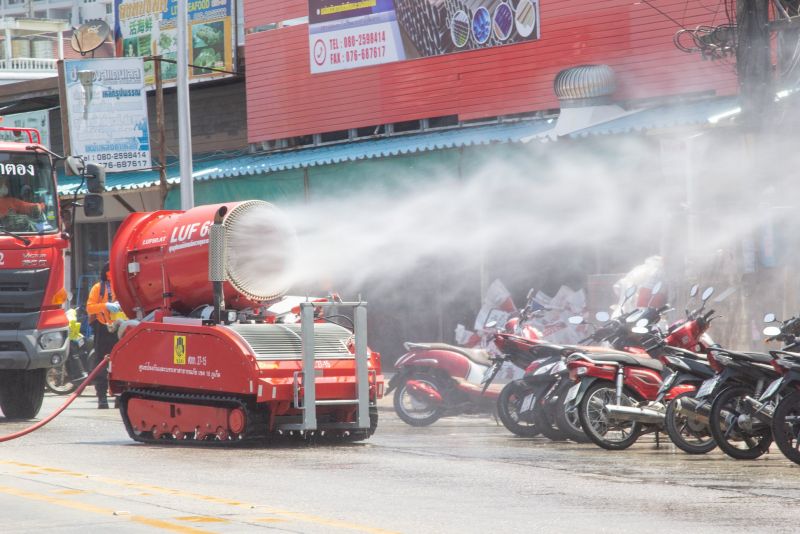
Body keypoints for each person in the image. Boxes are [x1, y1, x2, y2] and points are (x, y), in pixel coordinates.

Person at [85, 262, 121, 409]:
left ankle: (119, 396)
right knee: (101, 363)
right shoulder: (98, 288)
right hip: (103, 328)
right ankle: (102, 397)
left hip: (120, 327)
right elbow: (89, 307)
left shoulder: (121, 287)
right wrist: (105, 305)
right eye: (110, 271)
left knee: (120, 363)